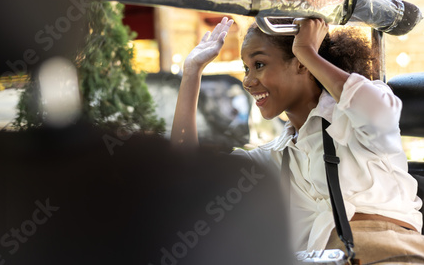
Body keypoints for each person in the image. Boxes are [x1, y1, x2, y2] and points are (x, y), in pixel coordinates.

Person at [171, 17, 424, 263]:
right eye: (246, 69)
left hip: (389, 255)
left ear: (301, 64)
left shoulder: (355, 118)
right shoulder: (274, 156)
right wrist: (192, 72)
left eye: (259, 64)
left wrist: (308, 52)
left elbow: (377, 110)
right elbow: (187, 171)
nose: (247, 81)